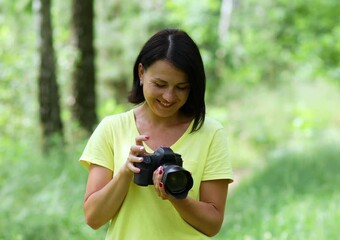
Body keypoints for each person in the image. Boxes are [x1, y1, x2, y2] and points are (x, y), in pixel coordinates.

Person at [79, 28, 234, 239]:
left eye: (181, 87)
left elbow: (212, 225)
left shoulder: (210, 133)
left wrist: (176, 195)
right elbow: (93, 218)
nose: (169, 97)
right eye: (160, 84)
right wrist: (126, 172)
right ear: (141, 73)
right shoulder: (112, 128)